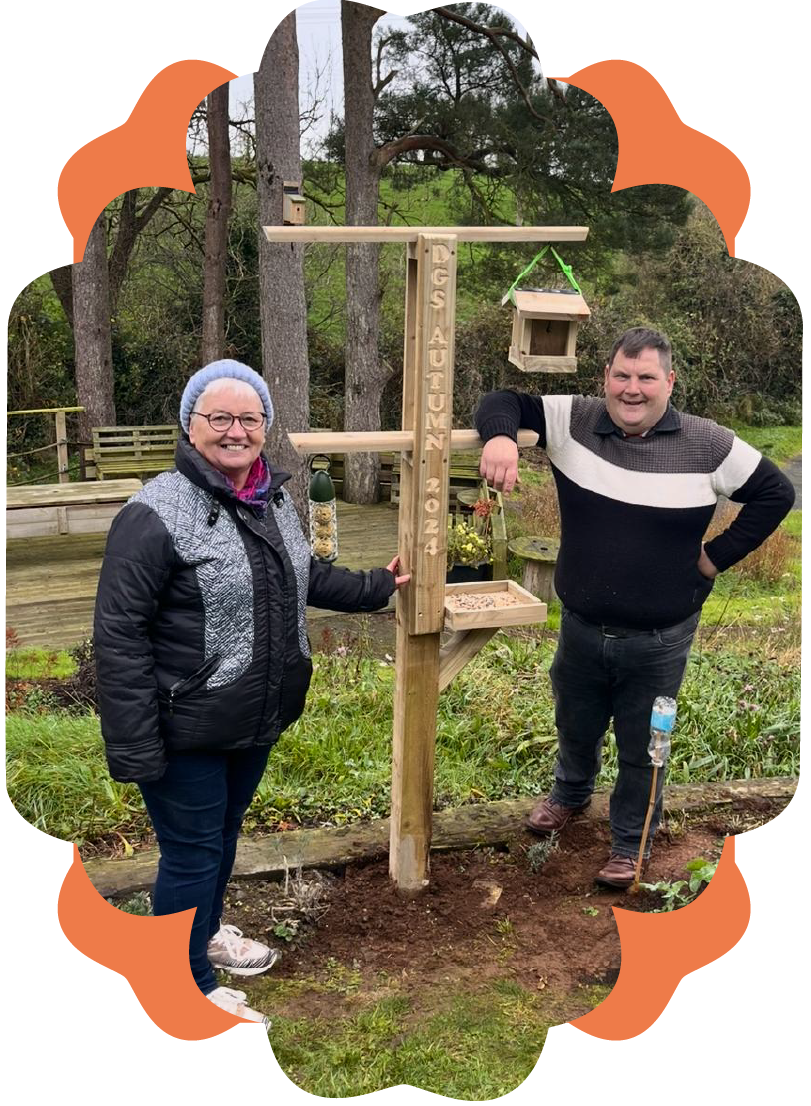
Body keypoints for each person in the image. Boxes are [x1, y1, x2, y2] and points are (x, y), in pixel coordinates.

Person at [94, 359, 409, 1025]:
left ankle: (203, 937)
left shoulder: (272, 498)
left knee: (221, 835)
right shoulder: (154, 513)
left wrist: (376, 586)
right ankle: (184, 987)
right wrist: (135, 746)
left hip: (253, 714)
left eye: (249, 417)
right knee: (191, 852)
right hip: (184, 727)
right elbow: (118, 635)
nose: (235, 430)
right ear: (190, 425)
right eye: (219, 417)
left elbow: (303, 576)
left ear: (264, 426)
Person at [475, 327, 794, 888]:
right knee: (575, 722)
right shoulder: (575, 421)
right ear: (606, 378)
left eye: (646, 377)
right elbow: (503, 401)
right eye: (622, 375)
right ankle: (570, 795)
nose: (632, 388)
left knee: (644, 745)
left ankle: (630, 841)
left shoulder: (708, 444)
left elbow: (776, 493)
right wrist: (500, 438)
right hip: (580, 625)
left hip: (659, 637)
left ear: (669, 381)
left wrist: (714, 558)